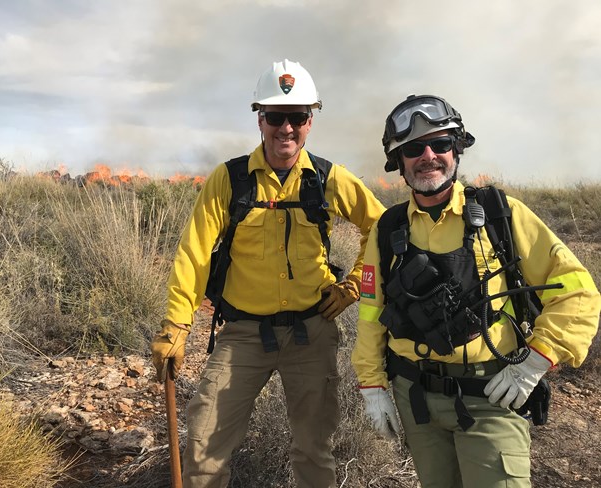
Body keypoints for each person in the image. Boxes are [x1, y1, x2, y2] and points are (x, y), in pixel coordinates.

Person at [151, 59, 385, 487]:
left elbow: (381, 229)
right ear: (260, 119)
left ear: (310, 121)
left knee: (314, 451)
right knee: (204, 448)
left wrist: (355, 286)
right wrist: (177, 323)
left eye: (297, 118)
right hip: (242, 335)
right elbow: (194, 252)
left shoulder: (330, 178)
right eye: (276, 117)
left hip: (311, 333)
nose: (286, 129)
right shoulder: (229, 179)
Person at [351, 94, 601, 487]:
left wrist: (535, 362)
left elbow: (578, 292)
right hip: (416, 401)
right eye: (413, 148)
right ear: (398, 162)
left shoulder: (503, 215)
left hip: (492, 398)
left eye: (441, 144)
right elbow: (370, 312)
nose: (428, 155)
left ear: (458, 149)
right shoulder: (387, 230)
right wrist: (371, 385)